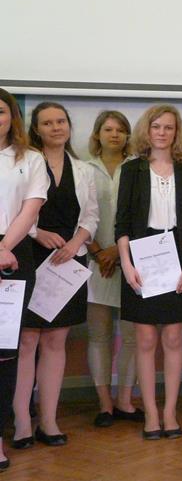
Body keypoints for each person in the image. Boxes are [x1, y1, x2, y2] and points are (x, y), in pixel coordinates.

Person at [13, 102, 98, 448]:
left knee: (55, 341)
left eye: (61, 121)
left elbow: (91, 216)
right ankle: (21, 421)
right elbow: (15, 210)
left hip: (68, 262)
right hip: (30, 256)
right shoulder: (25, 162)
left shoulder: (84, 169)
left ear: (69, 126)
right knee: (27, 341)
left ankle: (48, 421)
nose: (56, 127)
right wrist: (37, 233)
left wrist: (76, 242)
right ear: (36, 129)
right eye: (47, 123)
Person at [116, 105, 182, 439]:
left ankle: (170, 412)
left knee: (173, 337)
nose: (162, 133)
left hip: (178, 256)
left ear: (176, 132)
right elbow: (122, 223)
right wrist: (127, 265)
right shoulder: (132, 169)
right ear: (147, 130)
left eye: (168, 127)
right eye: (156, 126)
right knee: (146, 338)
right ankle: (151, 413)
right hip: (141, 256)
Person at [84, 110, 142, 428]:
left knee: (132, 337)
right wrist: (98, 252)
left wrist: (118, 252)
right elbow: (79, 216)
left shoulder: (138, 167)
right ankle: (104, 403)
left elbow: (142, 215)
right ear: (98, 134)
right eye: (108, 129)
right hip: (95, 263)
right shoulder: (83, 168)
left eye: (120, 130)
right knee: (99, 335)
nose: (115, 135)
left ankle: (124, 400)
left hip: (131, 262)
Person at [0, 88, 47, 470]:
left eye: (0, 112)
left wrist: (3, 248)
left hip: (15, 255)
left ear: (12, 117)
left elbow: (31, 210)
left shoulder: (30, 158)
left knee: (4, 352)